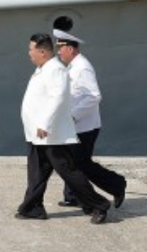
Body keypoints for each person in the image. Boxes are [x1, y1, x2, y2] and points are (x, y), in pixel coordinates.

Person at [16, 32, 112, 224]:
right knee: (37, 171)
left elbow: (58, 98)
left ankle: (99, 205)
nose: (29, 53)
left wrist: (44, 124)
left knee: (68, 171)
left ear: (42, 52)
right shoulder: (43, 68)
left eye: (31, 49)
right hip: (38, 134)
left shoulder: (55, 70)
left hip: (51, 134)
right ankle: (32, 207)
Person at [53, 30, 127, 209]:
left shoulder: (82, 67)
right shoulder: (72, 66)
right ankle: (72, 196)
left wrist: (73, 115)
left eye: (60, 48)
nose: (58, 52)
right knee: (72, 162)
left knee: (80, 164)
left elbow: (94, 96)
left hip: (84, 126)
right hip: (75, 126)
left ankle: (116, 184)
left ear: (70, 49)